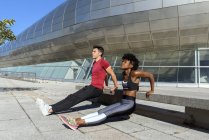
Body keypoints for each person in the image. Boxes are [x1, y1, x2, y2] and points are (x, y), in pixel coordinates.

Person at [58, 53, 155, 130]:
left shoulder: (135, 73)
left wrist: (151, 90)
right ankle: (77, 119)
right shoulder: (124, 74)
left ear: (131, 64)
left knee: (107, 114)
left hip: (129, 104)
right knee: (101, 111)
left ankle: (79, 123)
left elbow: (150, 75)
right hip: (122, 101)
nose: (122, 63)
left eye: (125, 62)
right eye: (122, 61)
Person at [36, 45, 119, 116]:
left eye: (94, 51)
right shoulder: (95, 63)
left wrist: (116, 86)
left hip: (96, 89)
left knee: (76, 99)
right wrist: (106, 84)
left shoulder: (103, 62)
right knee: (71, 96)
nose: (92, 53)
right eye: (92, 51)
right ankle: (50, 106)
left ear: (100, 53)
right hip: (92, 87)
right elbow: (105, 75)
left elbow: (112, 73)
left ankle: (49, 110)